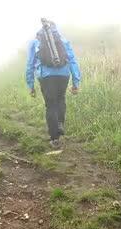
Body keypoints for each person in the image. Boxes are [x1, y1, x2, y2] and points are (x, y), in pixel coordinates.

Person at [25, 19, 81, 150]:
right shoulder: (63, 40)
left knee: (50, 105)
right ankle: (60, 123)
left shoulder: (35, 42)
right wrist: (76, 81)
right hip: (64, 74)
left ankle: (55, 139)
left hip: (46, 76)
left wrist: (30, 85)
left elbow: (30, 64)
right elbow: (72, 60)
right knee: (61, 99)